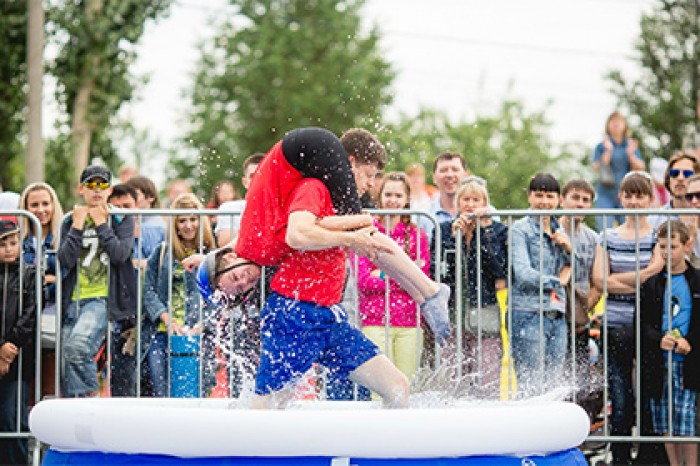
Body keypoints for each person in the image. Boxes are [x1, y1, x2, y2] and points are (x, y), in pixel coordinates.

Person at [199, 127, 449, 407]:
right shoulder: (311, 188)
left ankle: (428, 292)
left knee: (397, 388)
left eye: (237, 277)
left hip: (327, 317)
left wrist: (355, 229)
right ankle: (428, 292)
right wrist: (352, 233)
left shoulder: (311, 190)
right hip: (295, 316)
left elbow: (297, 230)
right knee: (267, 406)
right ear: (349, 163)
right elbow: (298, 232)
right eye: (369, 176)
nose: (371, 185)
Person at [591, 171, 663, 465]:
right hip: (615, 324)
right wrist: (641, 277)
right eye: (629, 195)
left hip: (647, 325)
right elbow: (599, 280)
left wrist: (617, 279)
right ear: (621, 198)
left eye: (640, 195)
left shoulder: (659, 235)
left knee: (648, 395)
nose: (634, 201)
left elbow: (657, 272)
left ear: (649, 199)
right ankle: (619, 457)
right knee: (620, 399)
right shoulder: (606, 237)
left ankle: (647, 457)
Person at [57, 165, 137, 398]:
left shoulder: (120, 218)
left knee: (77, 348)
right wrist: (78, 226)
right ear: (81, 189)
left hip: (101, 298)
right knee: (67, 364)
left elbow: (120, 254)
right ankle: (79, 425)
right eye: (91, 185)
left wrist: (101, 224)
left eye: (102, 184)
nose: (97, 190)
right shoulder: (70, 220)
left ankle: (91, 405)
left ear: (109, 189)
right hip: (73, 299)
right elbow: (65, 259)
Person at [356, 172, 430, 391]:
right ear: (380, 196)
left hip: (409, 321)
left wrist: (379, 272)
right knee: (379, 389)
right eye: (388, 194)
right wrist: (405, 271)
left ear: (406, 199)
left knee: (408, 386)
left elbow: (420, 280)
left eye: (398, 195)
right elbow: (363, 281)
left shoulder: (417, 235)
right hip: (374, 319)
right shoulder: (366, 232)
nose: (392, 200)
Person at [435, 177, 508, 397]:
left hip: (484, 310)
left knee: (487, 376)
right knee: (454, 377)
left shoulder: (497, 231)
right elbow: (438, 272)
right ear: (457, 203)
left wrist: (483, 232)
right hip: (452, 312)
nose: (470, 204)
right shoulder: (444, 229)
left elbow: (500, 269)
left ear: (485, 203)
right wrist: (454, 240)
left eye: (476, 200)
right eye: (465, 199)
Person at [143, 193, 215, 397]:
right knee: (161, 391)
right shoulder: (162, 252)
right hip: (161, 332)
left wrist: (202, 324)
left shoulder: (211, 254)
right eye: (182, 220)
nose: (188, 225)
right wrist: (166, 319)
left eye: (193, 219)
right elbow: (148, 290)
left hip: (197, 332)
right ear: (174, 223)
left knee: (198, 392)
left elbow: (220, 296)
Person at [641, 221, 700, 466]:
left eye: (672, 246)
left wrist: (691, 342)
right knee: (666, 423)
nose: (667, 252)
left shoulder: (696, 281)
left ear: (687, 246)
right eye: (662, 246)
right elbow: (642, 323)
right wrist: (658, 339)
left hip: (688, 364)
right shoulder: (651, 284)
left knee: (686, 423)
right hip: (660, 363)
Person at [510, 173, 571, 397]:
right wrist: (556, 282)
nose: (544, 201)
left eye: (549, 196)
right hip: (527, 311)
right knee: (530, 384)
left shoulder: (560, 231)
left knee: (554, 385)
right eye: (539, 195)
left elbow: (573, 268)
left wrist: (570, 249)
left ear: (558, 199)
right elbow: (523, 273)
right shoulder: (520, 229)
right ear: (529, 197)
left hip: (556, 313)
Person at [19, 182, 64, 399]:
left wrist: (46, 281)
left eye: (45, 203)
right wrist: (44, 279)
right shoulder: (19, 240)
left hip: (54, 313)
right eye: (34, 204)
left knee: (50, 372)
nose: (40, 209)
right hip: (26, 314)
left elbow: (65, 277)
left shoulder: (62, 237)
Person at [0, 220, 37, 466]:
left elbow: (31, 313)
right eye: (2, 244)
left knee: (12, 419)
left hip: (18, 359)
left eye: (13, 243)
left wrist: (8, 348)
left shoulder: (30, 274)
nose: (9, 249)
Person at [592, 111, 645, 230]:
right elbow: (597, 167)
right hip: (606, 193)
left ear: (625, 125)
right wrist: (608, 151)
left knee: (628, 228)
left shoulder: (630, 144)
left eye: (619, 121)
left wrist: (631, 154)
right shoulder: (602, 145)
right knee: (604, 229)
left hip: (627, 193)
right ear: (608, 125)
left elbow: (640, 167)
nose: (616, 124)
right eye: (613, 121)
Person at [108, 184, 165, 270]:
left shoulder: (152, 230)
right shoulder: (105, 233)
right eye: (116, 208)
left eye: (127, 206)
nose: (122, 211)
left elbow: (158, 263)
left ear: (136, 206)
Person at [215, 153, 264, 247]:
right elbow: (225, 245)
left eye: (262, 175)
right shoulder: (229, 208)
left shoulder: (282, 207)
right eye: (252, 176)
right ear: (245, 182)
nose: (258, 180)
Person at [647, 151, 700, 230]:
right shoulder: (653, 220)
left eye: (687, 173)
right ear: (668, 179)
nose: (680, 178)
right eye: (675, 173)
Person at [422, 152, 467, 241]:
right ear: (434, 178)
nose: (450, 175)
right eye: (443, 170)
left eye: (455, 169)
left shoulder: (487, 213)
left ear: (465, 175)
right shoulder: (422, 215)